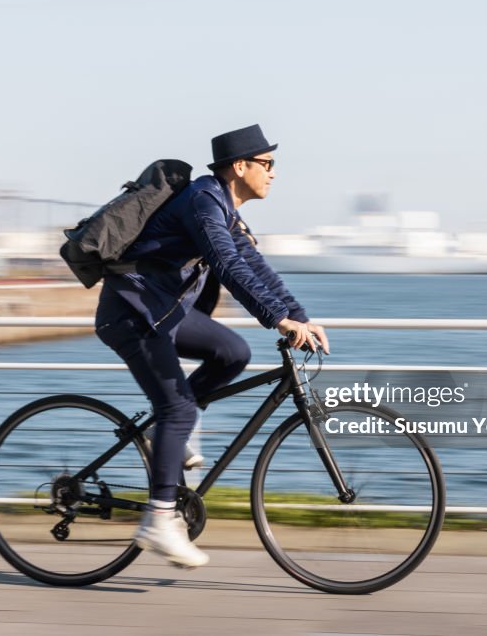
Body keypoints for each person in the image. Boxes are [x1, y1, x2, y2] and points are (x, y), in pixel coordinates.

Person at [95, 124, 329, 567]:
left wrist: (298, 316)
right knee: (179, 410)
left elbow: (254, 265)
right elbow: (226, 264)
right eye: (267, 163)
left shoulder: (224, 207)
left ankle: (160, 433)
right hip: (132, 313)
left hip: (164, 311)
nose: (274, 172)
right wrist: (276, 319)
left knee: (233, 353)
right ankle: (158, 521)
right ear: (240, 166)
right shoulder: (204, 200)